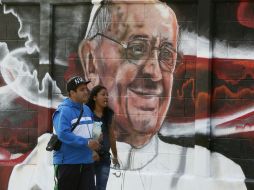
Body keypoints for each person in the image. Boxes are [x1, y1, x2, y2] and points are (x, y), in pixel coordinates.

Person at [78, 0, 247, 190]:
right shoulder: (48, 163)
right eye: (137, 49)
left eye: (166, 54)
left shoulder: (221, 177)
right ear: (91, 62)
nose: (155, 73)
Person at [52, 76, 101, 190]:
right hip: (68, 164)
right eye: (82, 89)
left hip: (87, 162)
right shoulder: (63, 111)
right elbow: (63, 134)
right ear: (72, 93)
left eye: (86, 88)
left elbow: (87, 133)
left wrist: (95, 141)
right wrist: (87, 143)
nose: (86, 92)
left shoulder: (87, 110)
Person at [86, 85, 119, 190]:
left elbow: (111, 136)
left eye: (107, 95)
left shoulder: (109, 114)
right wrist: (91, 151)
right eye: (103, 94)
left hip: (104, 157)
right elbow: (82, 135)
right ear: (94, 97)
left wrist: (115, 155)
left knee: (101, 188)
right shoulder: (87, 113)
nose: (106, 97)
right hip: (89, 157)